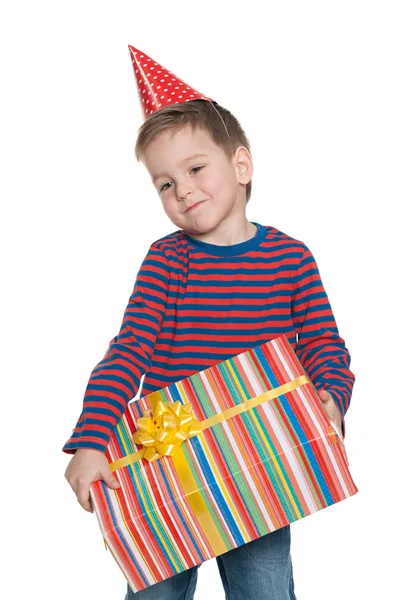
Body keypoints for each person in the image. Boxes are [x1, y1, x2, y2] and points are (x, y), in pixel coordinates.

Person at [63, 47, 355, 600]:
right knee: (156, 592)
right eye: (164, 184)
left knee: (265, 591)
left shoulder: (292, 258)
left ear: (240, 166)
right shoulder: (167, 259)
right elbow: (128, 352)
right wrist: (95, 437)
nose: (183, 190)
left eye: (195, 169)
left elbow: (323, 345)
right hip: (166, 469)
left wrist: (331, 398)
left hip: (262, 462)